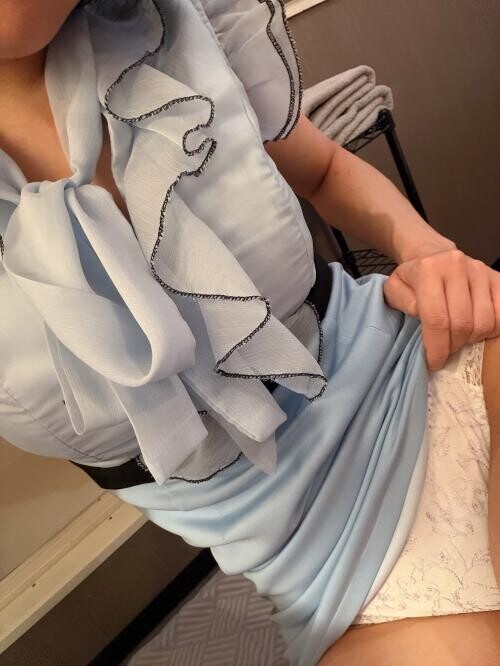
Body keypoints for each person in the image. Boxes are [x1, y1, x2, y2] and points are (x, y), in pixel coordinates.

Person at [0, 0, 499, 664]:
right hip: (317, 568)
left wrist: (428, 251)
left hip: (422, 368)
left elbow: (322, 169)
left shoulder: (178, 21)